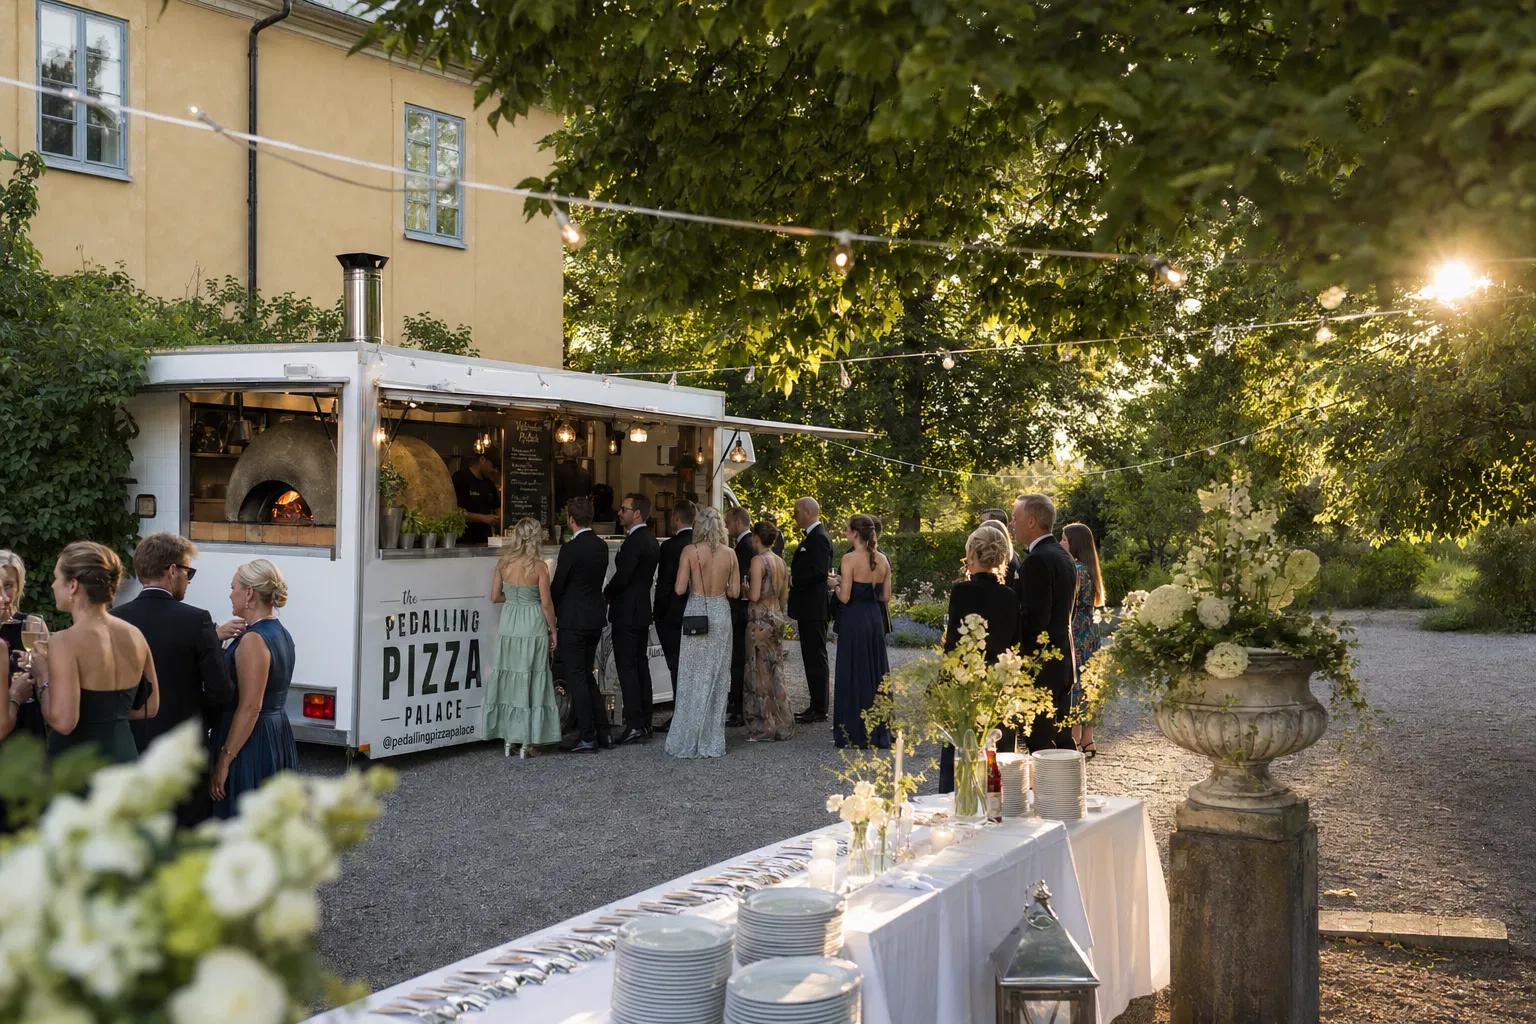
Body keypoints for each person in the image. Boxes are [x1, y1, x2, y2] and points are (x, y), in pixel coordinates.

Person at [113, 533, 239, 825]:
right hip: (184, 748)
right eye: (188, 571)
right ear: (172, 571)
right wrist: (198, 712)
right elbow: (221, 691)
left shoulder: (117, 619)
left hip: (132, 743)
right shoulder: (196, 620)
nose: (189, 579)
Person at [32, 542, 159, 764]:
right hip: (124, 756)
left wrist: (42, 676)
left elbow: (64, 722)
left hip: (78, 762)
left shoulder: (64, 641)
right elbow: (151, 706)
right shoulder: (135, 635)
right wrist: (108, 716)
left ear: (73, 585)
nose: (52, 585)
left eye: (57, 578)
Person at [211, 559, 298, 817]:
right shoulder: (280, 632)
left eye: (233, 587)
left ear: (249, 593)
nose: (230, 594)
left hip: (250, 742)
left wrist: (225, 759)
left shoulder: (253, 640)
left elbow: (250, 707)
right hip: (275, 732)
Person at [937, 526, 1022, 791]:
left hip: (966, 684)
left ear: (972, 553)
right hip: (998, 685)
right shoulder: (1010, 595)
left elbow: (954, 644)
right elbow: (1014, 644)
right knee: (996, 754)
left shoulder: (962, 592)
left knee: (962, 753)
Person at [665, 507, 739, 758]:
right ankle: (712, 740)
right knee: (717, 675)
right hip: (721, 613)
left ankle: (688, 735)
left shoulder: (690, 551)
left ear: (698, 527)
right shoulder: (731, 554)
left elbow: (678, 588)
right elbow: (735, 592)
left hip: (697, 611)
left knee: (692, 674)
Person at [487, 518, 563, 758]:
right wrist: (554, 630)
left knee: (511, 680)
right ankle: (529, 742)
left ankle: (510, 740)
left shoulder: (503, 563)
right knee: (532, 681)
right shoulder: (539, 566)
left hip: (509, 625)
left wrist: (513, 597)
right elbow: (547, 603)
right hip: (532, 624)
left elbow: (494, 597)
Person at [1011, 493, 1078, 751]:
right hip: (1062, 664)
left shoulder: (1038, 560)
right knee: (1062, 743)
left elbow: (1036, 620)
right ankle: (1069, 791)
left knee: (1040, 745)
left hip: (1042, 670)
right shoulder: (1063, 556)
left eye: (1015, 519)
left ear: (1031, 521)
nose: (1012, 525)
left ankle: (1050, 792)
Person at [551, 496, 610, 751]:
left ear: (570, 519)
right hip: (594, 618)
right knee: (587, 675)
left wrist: (550, 607)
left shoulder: (569, 549)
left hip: (573, 620)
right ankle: (603, 732)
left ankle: (587, 735)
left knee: (577, 677)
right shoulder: (601, 546)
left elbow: (559, 584)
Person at [831, 515, 892, 749]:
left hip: (854, 618)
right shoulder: (883, 560)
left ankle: (853, 730)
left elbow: (844, 597)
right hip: (874, 618)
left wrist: (835, 585)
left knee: (853, 670)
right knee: (874, 670)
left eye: (847, 529)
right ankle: (877, 728)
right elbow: (885, 597)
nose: (846, 532)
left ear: (855, 533)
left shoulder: (849, 559)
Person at [606, 493, 660, 744]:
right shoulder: (650, 539)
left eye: (624, 508)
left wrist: (605, 594)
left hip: (627, 610)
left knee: (628, 667)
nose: (620, 512)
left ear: (637, 513)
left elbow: (624, 575)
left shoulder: (635, 541)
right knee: (640, 665)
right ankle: (645, 721)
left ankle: (635, 723)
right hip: (641, 610)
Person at [744, 521, 794, 742]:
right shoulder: (781, 562)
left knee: (760, 672)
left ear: (756, 538)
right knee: (776, 670)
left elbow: (755, 595)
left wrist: (741, 588)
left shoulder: (758, 561)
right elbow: (783, 596)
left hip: (760, 619)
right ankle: (782, 719)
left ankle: (767, 724)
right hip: (776, 617)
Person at [1062, 522, 1106, 759]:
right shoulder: (1091, 569)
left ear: (1074, 543)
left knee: (1077, 683)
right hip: (1090, 629)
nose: (1061, 544)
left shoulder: (1076, 569)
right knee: (1090, 684)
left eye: (1064, 539)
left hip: (1076, 628)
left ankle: (1076, 739)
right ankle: (1088, 739)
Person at [788, 497, 833, 724]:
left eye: (796, 511)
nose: (793, 515)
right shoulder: (811, 537)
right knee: (810, 656)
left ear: (808, 512)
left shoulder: (819, 538)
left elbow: (819, 573)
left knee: (816, 656)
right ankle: (815, 704)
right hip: (808, 608)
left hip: (814, 609)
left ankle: (820, 708)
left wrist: (793, 580)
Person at [0, 551, 45, 741]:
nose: (3, 595)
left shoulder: (32, 626)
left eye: (8, 586)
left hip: (28, 726)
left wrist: (39, 671)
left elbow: (50, 691)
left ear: (20, 587)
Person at [654, 500, 697, 688]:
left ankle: (679, 711)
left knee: (676, 665)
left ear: (677, 518)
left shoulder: (670, 547)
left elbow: (665, 583)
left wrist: (658, 613)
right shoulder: (701, 545)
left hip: (673, 612)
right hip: (698, 612)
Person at [727, 505, 754, 728]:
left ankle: (738, 706)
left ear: (738, 522)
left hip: (741, 609)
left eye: (729, 522)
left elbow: (742, 581)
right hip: (744, 609)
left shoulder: (744, 547)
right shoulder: (745, 544)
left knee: (738, 658)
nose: (727, 526)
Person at [453, 447, 502, 545]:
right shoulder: (460, 478)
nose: (495, 471)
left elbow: (497, 508)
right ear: (482, 460)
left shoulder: (490, 484)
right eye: (493, 467)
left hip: (485, 542)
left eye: (498, 469)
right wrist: (482, 518)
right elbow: (453, 511)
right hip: (462, 542)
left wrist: (500, 518)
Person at [982, 509, 1023, 595]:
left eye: (984, 522)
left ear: (996, 527)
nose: (980, 527)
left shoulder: (1005, 560)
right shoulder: (1009, 556)